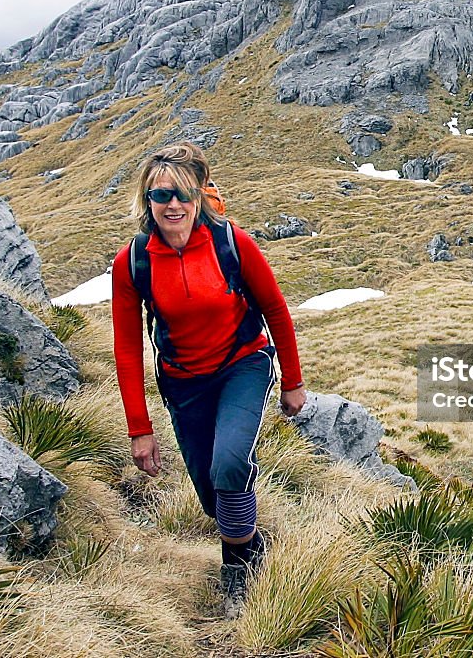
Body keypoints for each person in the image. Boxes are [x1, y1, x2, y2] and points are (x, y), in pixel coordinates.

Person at [110, 142, 307, 618]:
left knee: (229, 465)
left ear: (197, 197)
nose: (172, 205)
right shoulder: (132, 262)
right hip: (183, 384)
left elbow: (275, 310)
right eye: (161, 196)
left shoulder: (232, 243)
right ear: (147, 202)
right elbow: (126, 348)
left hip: (243, 364)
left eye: (181, 194)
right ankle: (249, 541)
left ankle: (238, 572)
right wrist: (140, 429)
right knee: (211, 495)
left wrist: (293, 381)